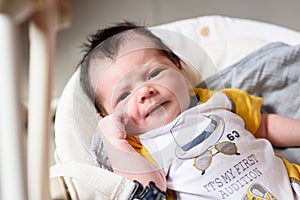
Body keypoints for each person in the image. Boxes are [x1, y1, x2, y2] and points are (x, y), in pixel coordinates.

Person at [79, 22, 300, 199]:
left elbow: (264, 125)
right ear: (109, 118)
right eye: (124, 96)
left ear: (177, 66)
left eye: (154, 73)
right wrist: (114, 142)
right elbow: (150, 190)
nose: (144, 91)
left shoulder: (220, 100)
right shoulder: (138, 146)